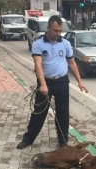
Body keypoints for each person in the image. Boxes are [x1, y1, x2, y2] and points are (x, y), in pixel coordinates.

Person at [17, 15, 88, 149]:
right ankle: (28, 139)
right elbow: (38, 65)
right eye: (55, 30)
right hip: (45, 82)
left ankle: (63, 142)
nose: (58, 33)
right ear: (48, 28)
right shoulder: (38, 43)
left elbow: (72, 63)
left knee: (63, 113)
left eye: (60, 31)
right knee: (39, 112)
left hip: (62, 82)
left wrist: (80, 81)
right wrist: (43, 84)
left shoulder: (65, 43)